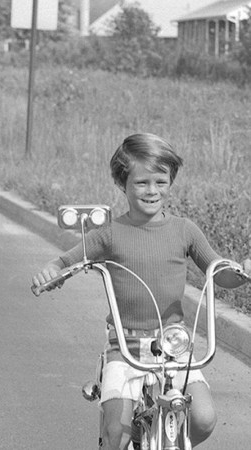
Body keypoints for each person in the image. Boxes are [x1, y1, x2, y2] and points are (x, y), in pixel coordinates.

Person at [31, 133, 251, 450]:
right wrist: (52, 273)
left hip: (174, 343)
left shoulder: (185, 230)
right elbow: (66, 261)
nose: (152, 191)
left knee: (203, 419)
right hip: (125, 343)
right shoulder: (109, 233)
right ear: (123, 184)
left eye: (160, 181)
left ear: (171, 181)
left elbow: (219, 271)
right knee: (115, 434)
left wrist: (241, 274)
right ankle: (129, 435)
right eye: (142, 183)